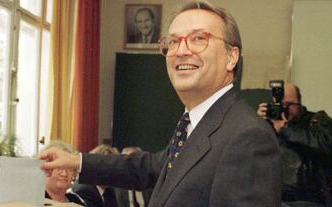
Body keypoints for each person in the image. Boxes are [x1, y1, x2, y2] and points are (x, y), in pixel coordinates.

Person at [40, 2, 282, 206]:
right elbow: (148, 167)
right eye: (173, 41)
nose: (181, 51)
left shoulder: (247, 137)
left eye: (198, 38)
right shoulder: (195, 126)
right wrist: (75, 161)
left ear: (231, 57)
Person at [257, 82, 332, 207]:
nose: (285, 109)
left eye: (289, 105)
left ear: (300, 102)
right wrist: (256, 123)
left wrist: (285, 128)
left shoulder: (318, 121)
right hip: (269, 197)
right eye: (281, 105)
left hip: (308, 198)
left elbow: (325, 144)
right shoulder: (267, 124)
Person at [43, 141, 86, 205]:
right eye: (59, 168)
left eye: (70, 169)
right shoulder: (33, 201)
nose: (64, 174)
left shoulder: (76, 200)